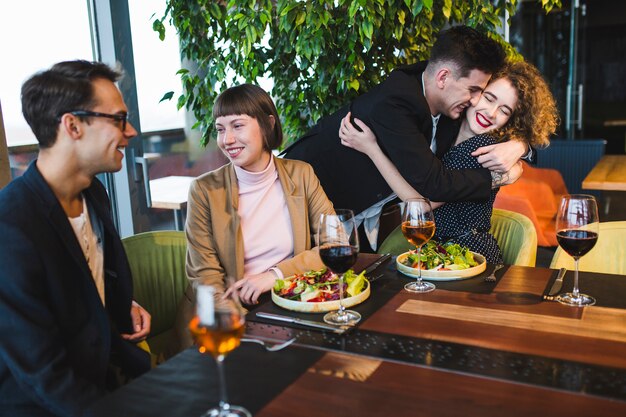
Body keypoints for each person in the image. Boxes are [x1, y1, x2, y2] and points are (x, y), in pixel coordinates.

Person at [283, 25, 529, 252]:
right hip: (301, 198)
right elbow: (434, 184)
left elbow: (522, 126)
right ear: (443, 78)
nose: (476, 101)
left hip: (358, 214)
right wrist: (496, 178)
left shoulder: (448, 100)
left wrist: (522, 147)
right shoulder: (394, 103)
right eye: (474, 91)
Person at [0, 61, 151, 416]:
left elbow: (79, 287)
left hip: (108, 380)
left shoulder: (94, 195)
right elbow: (43, 373)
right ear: (72, 125)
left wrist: (118, 305)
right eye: (118, 119)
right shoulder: (10, 224)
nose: (130, 132)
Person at [340, 60, 559, 263]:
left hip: (466, 252)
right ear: (475, 92)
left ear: (511, 121)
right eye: (489, 98)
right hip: (437, 248)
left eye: (504, 111)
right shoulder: (445, 124)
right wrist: (521, 147)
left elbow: (421, 201)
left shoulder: (482, 148)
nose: (491, 113)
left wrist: (372, 149)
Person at [184, 84, 334, 307]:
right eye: (220, 129)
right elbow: (205, 279)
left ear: (268, 125)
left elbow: (335, 243)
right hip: (231, 312)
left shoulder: (301, 174)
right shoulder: (204, 190)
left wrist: (275, 275)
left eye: (237, 126)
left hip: (292, 300)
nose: (227, 140)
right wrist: (240, 324)